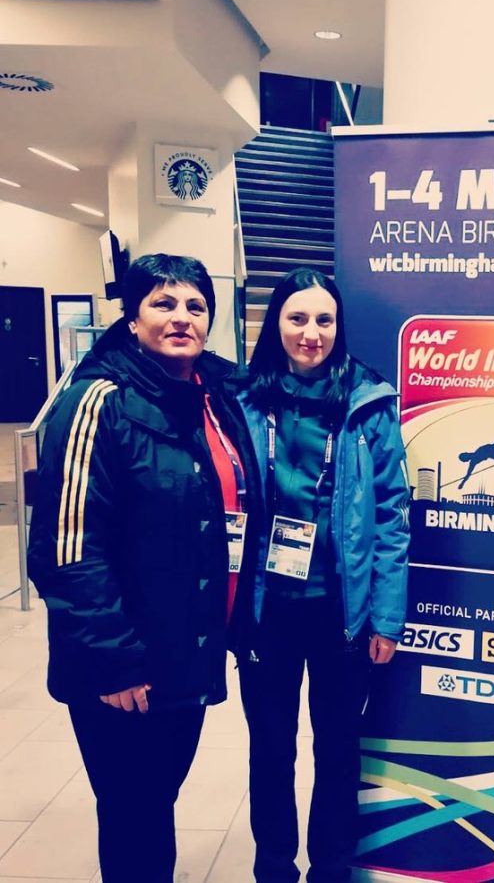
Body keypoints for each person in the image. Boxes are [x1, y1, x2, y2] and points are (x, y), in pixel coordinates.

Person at [27, 254, 259, 883]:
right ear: (131, 319)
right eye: (163, 303)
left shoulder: (211, 396)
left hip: (185, 648)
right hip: (124, 661)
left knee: (156, 802)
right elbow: (67, 550)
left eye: (195, 306)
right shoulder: (97, 402)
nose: (181, 317)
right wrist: (114, 661)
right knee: (134, 814)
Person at [234, 267, 410, 883]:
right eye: (298, 318)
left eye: (324, 320)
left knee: (337, 751)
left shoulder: (369, 402)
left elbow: (392, 515)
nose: (312, 333)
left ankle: (332, 870)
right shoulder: (243, 399)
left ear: (339, 327)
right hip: (266, 610)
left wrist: (386, 617)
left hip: (343, 612)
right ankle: (274, 869)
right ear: (275, 323)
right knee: (270, 751)